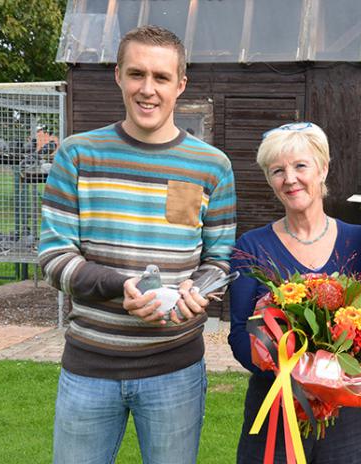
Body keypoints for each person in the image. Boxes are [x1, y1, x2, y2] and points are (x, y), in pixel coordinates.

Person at [38, 25, 236, 464]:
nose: (148, 90)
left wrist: (195, 292)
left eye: (161, 78)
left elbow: (219, 261)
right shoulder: (77, 155)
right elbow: (53, 257)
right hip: (90, 365)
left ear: (180, 84)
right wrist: (119, 285)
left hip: (175, 368)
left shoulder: (212, 166)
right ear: (118, 76)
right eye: (137, 74)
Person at [228, 122, 361, 463]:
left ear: (323, 168)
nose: (290, 178)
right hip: (277, 405)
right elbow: (239, 333)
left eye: (300, 166)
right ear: (270, 180)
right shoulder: (251, 247)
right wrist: (293, 378)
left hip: (348, 412)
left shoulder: (360, 241)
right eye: (278, 171)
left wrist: (336, 379)